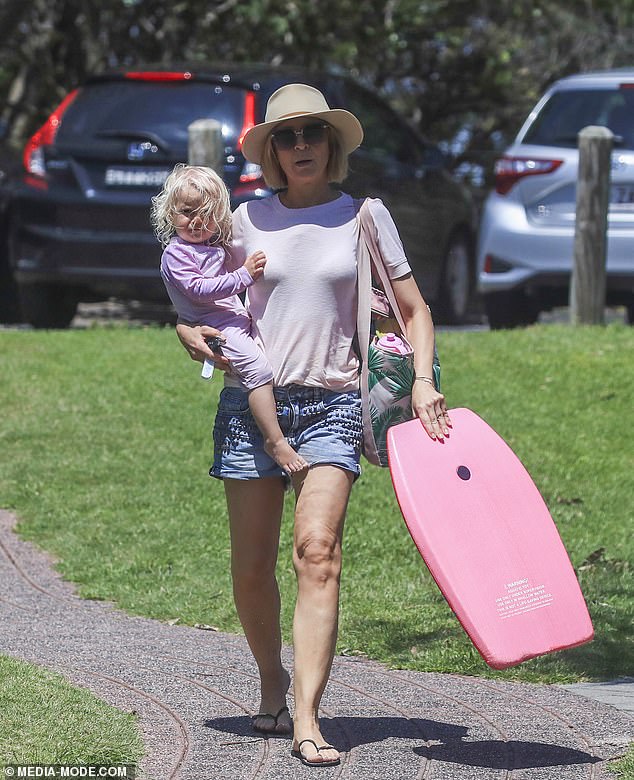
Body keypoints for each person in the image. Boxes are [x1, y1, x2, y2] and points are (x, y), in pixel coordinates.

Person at [175, 84, 451, 768]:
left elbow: (414, 309)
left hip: (331, 405)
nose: (302, 147)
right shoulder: (244, 219)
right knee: (249, 571)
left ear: (332, 147)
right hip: (252, 405)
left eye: (313, 135)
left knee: (318, 551)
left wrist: (421, 381)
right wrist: (186, 329)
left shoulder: (364, 217)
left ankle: (305, 715)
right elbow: (195, 293)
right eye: (288, 137)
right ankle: (271, 678)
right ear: (271, 151)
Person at [152, 164, 308, 475]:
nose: (196, 222)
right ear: (170, 214)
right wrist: (244, 275)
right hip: (217, 327)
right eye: (186, 212)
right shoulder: (176, 254)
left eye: (207, 214)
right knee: (258, 370)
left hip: (233, 318)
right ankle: (274, 440)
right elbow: (200, 290)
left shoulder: (210, 245)